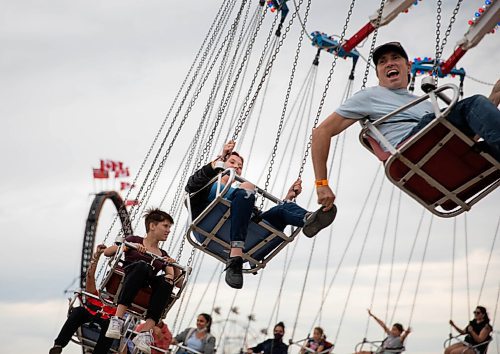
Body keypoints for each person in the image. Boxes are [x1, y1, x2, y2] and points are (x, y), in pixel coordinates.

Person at [311, 41, 500, 210]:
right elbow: (322, 132)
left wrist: (493, 98)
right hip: (412, 145)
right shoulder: (369, 96)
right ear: (378, 73)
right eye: (382, 62)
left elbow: (464, 139)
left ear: (408, 67)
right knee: (472, 104)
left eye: (395, 58)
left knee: (478, 124)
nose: (390, 63)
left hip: (440, 146)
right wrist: (322, 184)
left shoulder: (426, 103)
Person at [185, 140, 337, 289]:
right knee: (247, 188)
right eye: (232, 162)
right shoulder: (206, 187)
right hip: (207, 226)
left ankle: (308, 219)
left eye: (240, 166)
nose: (236, 167)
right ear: (222, 162)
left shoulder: (241, 198)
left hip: (243, 233)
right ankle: (234, 257)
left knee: (279, 209)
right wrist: (218, 161)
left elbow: (258, 219)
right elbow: (191, 185)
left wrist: (288, 198)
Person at [103, 208, 181, 354]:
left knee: (166, 282)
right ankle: (118, 319)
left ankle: (145, 331)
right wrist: (126, 247)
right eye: (165, 226)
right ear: (152, 226)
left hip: (147, 286)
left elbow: (173, 279)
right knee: (142, 266)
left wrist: (173, 267)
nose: (168, 230)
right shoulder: (134, 240)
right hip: (129, 279)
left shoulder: (162, 254)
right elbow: (107, 252)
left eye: (170, 227)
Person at [49, 244, 116, 354]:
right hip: (92, 311)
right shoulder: (97, 295)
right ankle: (59, 344)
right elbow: (90, 276)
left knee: (112, 328)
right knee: (78, 311)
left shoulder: (122, 302)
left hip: (108, 319)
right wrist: (97, 256)